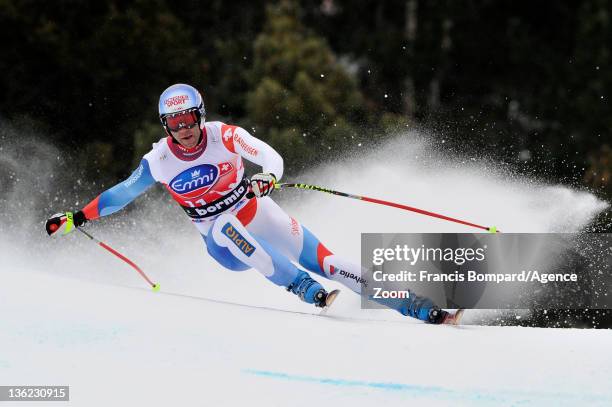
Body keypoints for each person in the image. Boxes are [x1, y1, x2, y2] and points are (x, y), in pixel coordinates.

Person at [45, 83, 461, 324]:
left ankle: (422, 309)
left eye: (190, 119)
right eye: (175, 123)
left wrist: (268, 178)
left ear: (200, 115)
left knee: (331, 263)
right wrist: (77, 216)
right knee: (225, 226)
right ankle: (301, 287)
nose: (185, 130)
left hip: (258, 212)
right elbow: (122, 193)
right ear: (165, 126)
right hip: (221, 240)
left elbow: (269, 156)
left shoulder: (223, 135)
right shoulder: (160, 159)